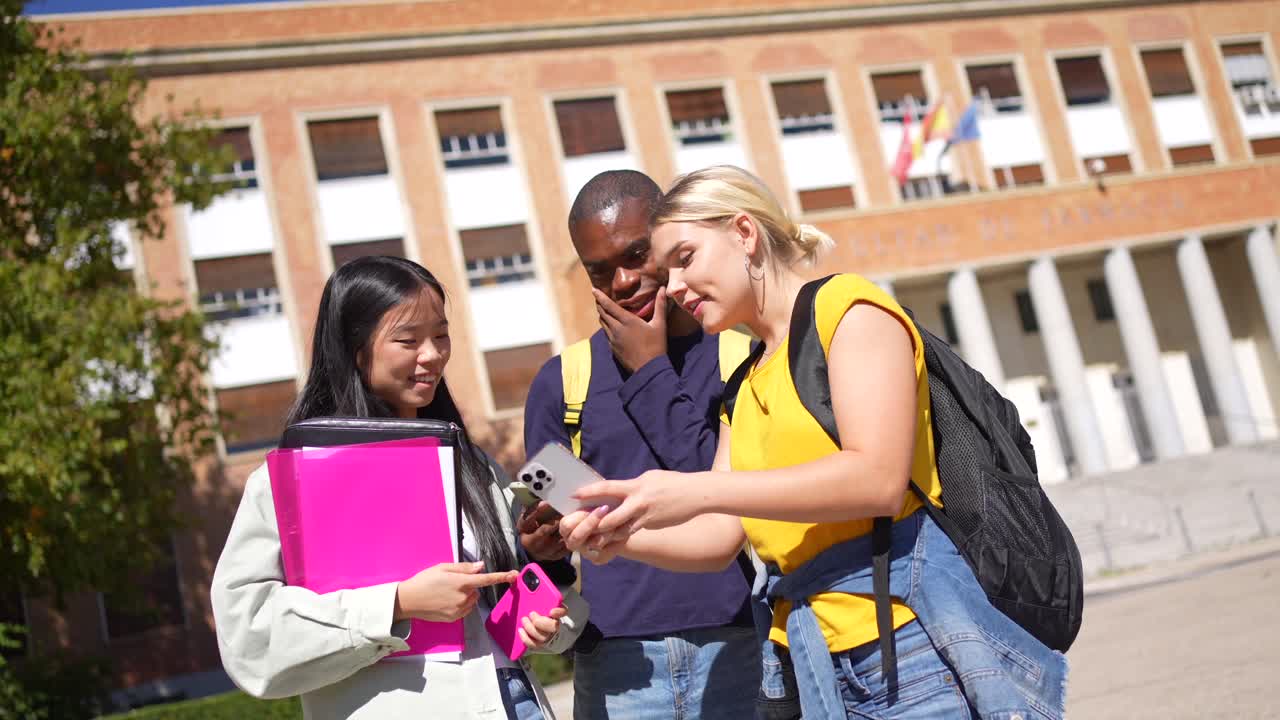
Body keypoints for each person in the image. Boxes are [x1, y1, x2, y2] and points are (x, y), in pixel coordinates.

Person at [559, 166, 1069, 719]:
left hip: (913, 648)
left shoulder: (847, 309)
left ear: (744, 233)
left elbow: (876, 478)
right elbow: (719, 538)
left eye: (685, 258)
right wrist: (615, 537)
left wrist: (699, 490)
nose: (674, 287)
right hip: (815, 662)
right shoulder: (746, 383)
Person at [211, 256, 589, 720]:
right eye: (408, 340)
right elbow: (248, 638)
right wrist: (398, 603)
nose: (432, 354)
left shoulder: (474, 467)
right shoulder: (290, 480)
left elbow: (542, 625)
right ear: (354, 348)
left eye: (441, 335)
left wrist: (541, 567)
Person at [521, 170, 760, 719]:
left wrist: (650, 369)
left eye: (635, 255)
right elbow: (545, 545)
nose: (623, 282)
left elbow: (722, 500)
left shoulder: (740, 361)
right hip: (616, 666)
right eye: (600, 271)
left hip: (741, 646)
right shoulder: (562, 381)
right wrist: (539, 550)